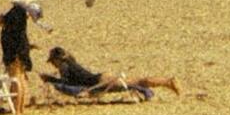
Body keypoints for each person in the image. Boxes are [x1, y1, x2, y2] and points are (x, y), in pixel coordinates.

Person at [44, 45, 181, 99]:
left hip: (100, 82)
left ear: (57, 59)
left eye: (52, 61)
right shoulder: (70, 63)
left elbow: (68, 83)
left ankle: (168, 82)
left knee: (139, 81)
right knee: (137, 81)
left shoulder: (64, 67)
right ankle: (165, 83)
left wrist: (50, 79)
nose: (52, 64)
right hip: (100, 78)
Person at [0, 1, 34, 113]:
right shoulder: (21, 12)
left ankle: (17, 108)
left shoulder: (15, 13)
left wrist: (2, 20)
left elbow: (6, 23)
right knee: (20, 79)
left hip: (14, 52)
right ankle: (20, 108)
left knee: (16, 79)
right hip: (20, 50)